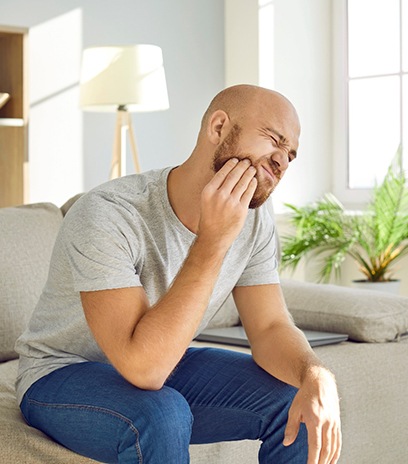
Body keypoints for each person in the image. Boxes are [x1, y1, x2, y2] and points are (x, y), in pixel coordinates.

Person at [15, 84, 341, 464]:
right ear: (218, 127)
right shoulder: (108, 213)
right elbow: (145, 368)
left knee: (295, 397)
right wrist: (213, 240)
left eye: (290, 155)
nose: (281, 161)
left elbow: (269, 327)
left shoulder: (255, 221)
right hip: (61, 373)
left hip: (165, 357)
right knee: (162, 414)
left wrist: (313, 373)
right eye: (273, 139)